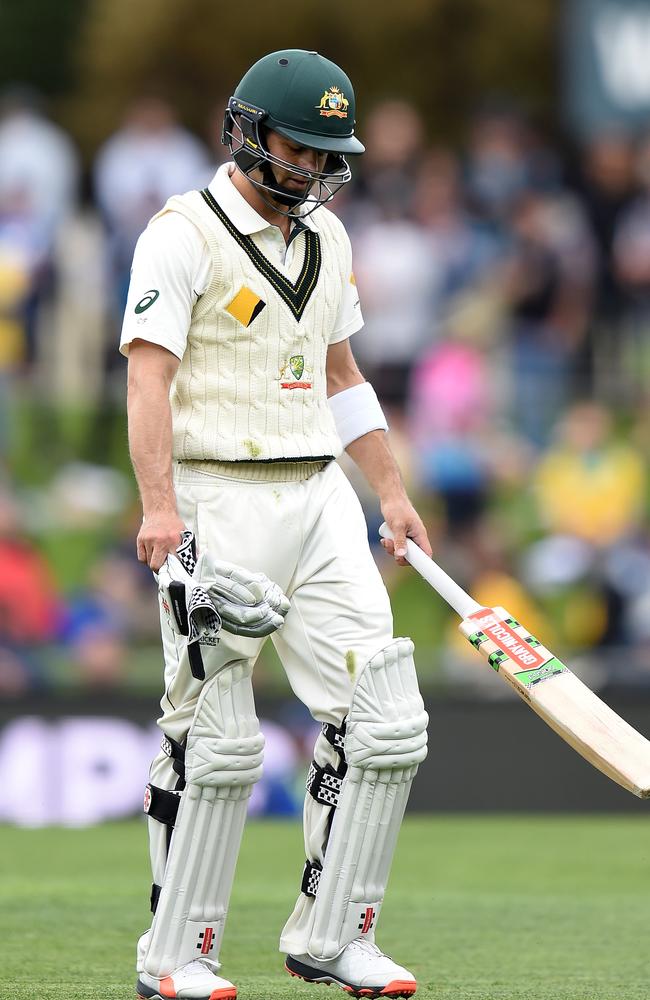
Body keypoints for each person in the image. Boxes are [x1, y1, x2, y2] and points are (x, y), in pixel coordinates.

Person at [121, 49, 431, 1000]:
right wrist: (161, 504)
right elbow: (147, 377)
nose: (317, 169)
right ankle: (177, 954)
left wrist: (391, 490)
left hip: (319, 494)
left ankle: (334, 936)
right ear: (250, 132)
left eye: (332, 152)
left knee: (385, 723)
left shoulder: (329, 241)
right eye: (302, 147)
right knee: (214, 736)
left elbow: (341, 377)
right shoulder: (182, 234)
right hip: (217, 493)